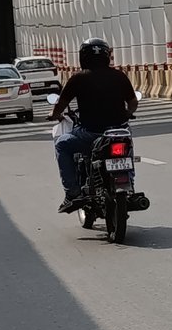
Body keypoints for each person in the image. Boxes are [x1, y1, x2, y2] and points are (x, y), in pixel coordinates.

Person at [49, 37, 137, 213]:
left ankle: (72, 194)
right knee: (126, 146)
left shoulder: (78, 78)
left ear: (83, 57)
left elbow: (61, 104)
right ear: (107, 56)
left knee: (62, 145)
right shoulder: (119, 76)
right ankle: (130, 186)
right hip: (118, 131)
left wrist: (55, 115)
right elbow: (133, 102)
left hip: (91, 134)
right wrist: (127, 114)